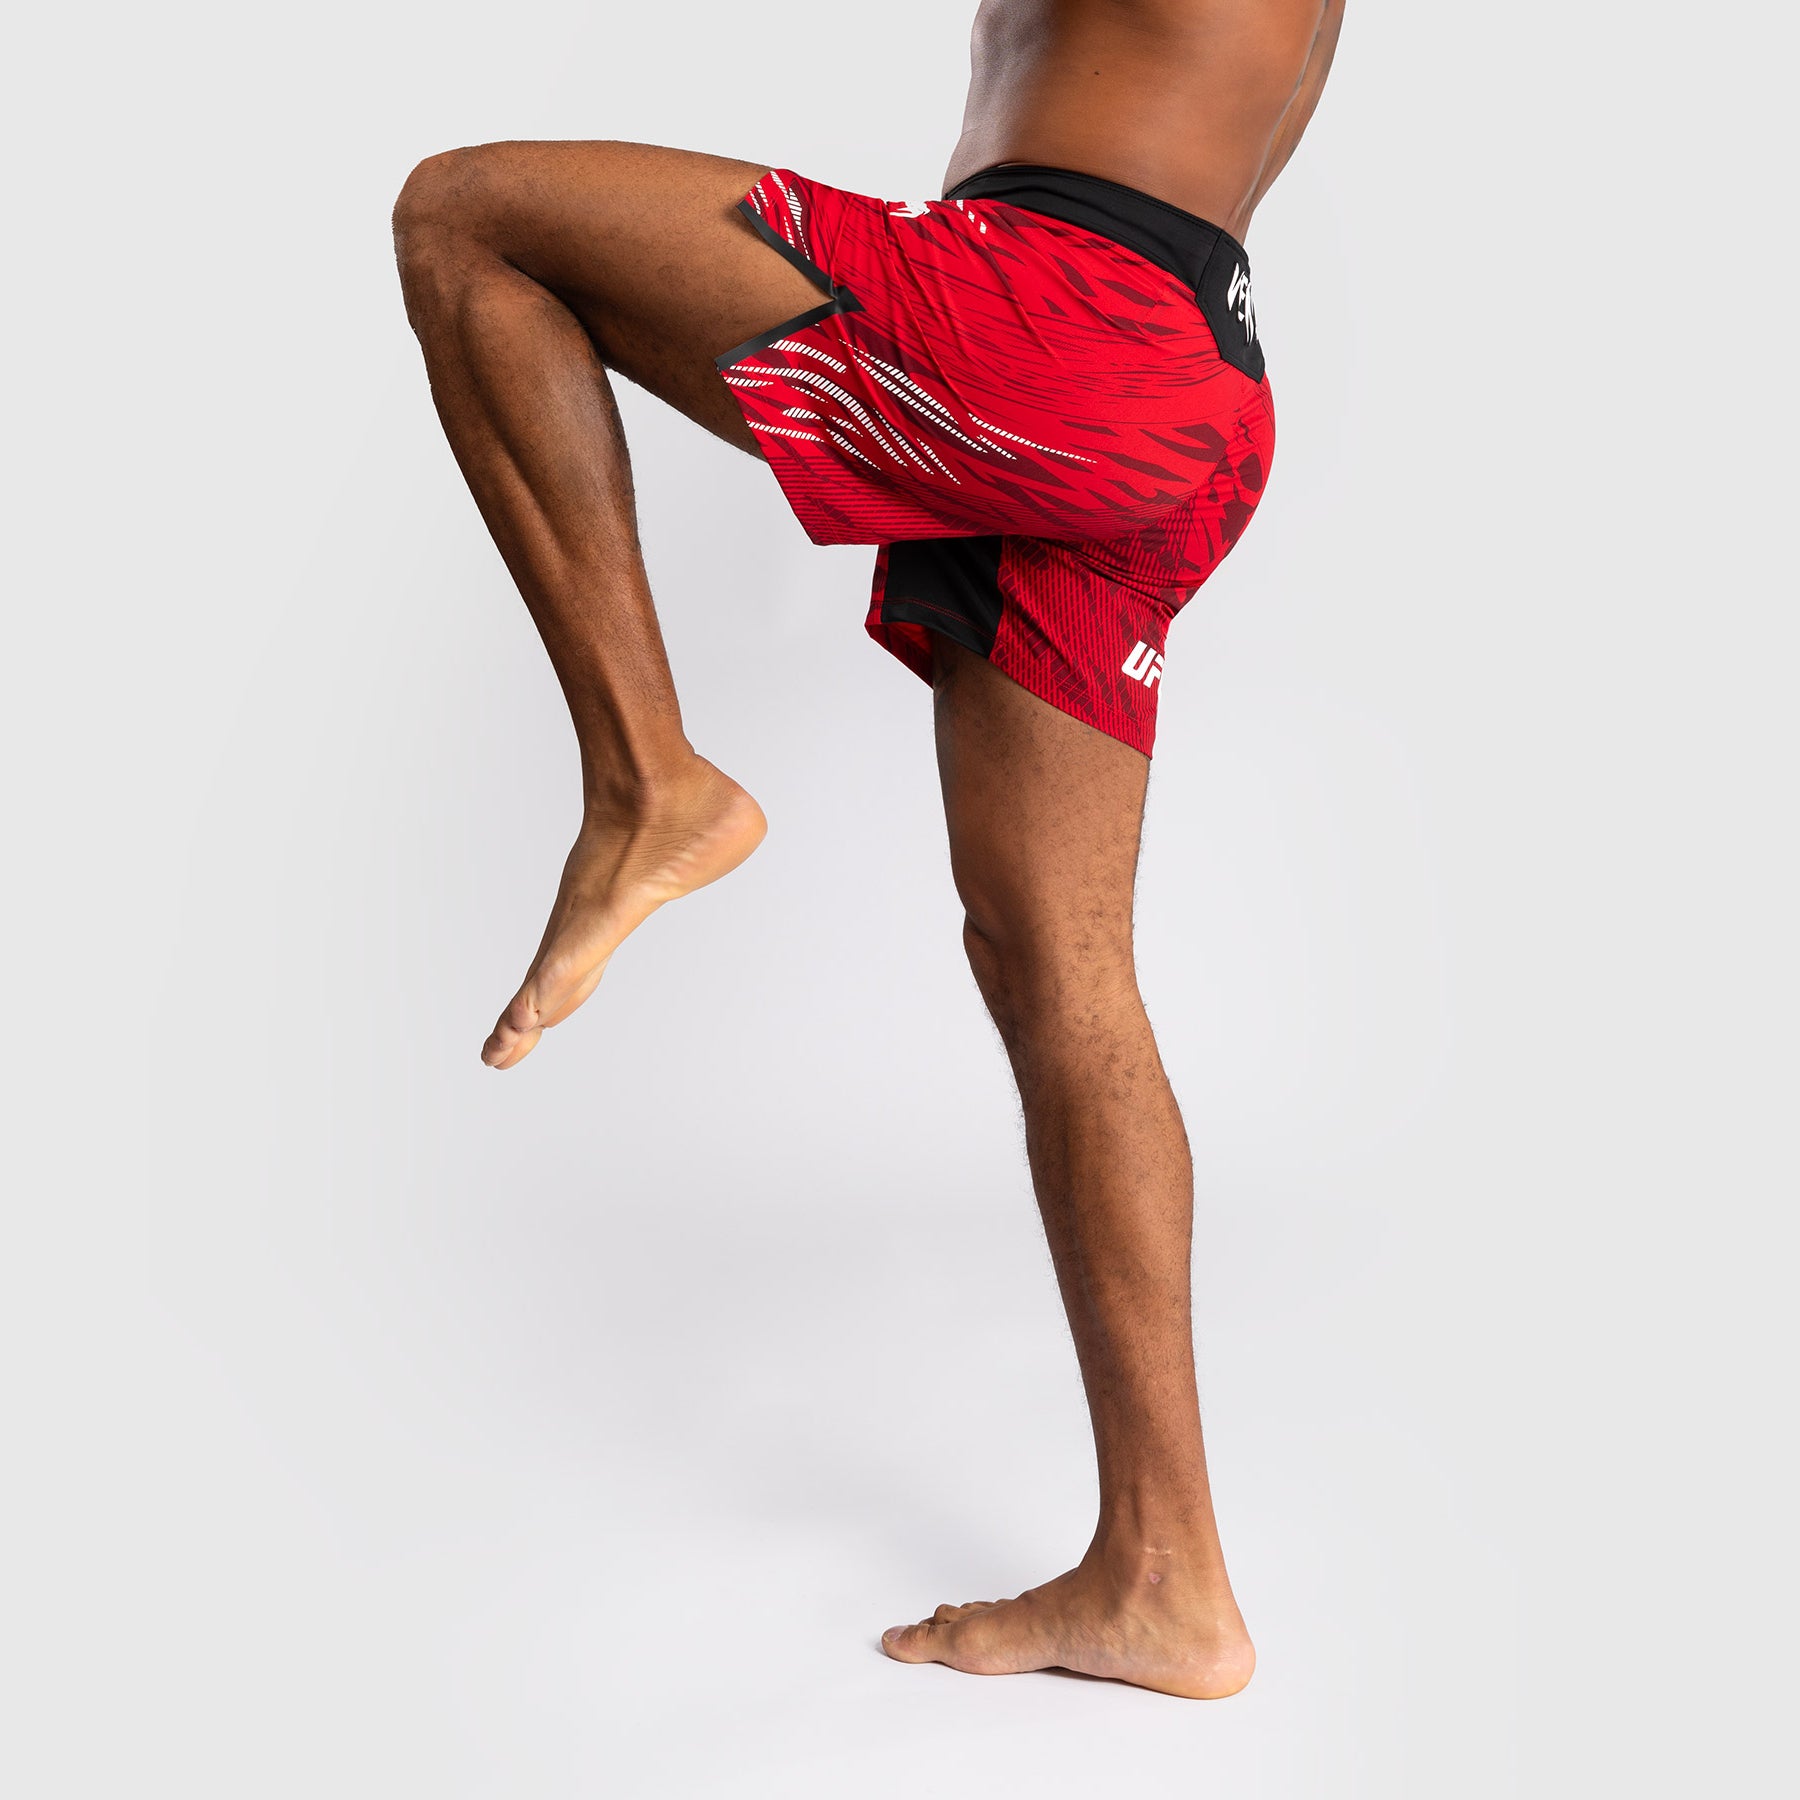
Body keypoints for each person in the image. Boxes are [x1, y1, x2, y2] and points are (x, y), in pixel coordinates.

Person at [392, 0, 1343, 1702]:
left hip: (1067, 317)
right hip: (1177, 370)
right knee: (1057, 971)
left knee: (470, 214)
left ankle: (648, 785)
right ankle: (1166, 1581)